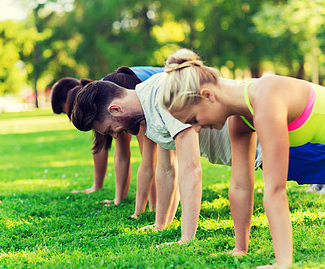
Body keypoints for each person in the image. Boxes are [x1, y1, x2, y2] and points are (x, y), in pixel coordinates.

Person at [70, 69, 325, 252]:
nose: (115, 136)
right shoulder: (147, 111)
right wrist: (161, 225)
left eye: (109, 129)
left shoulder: (160, 96)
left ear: (115, 109)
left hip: (274, 142)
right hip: (254, 150)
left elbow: (191, 168)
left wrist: (186, 238)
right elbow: (166, 168)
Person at [160, 48, 325, 269]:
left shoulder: (266, 99)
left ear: (208, 95)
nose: (196, 130)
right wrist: (240, 248)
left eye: (194, 119)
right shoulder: (239, 121)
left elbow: (275, 190)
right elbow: (240, 185)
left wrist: (282, 263)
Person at [51, 67, 163, 214]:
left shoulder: (118, 96)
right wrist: (117, 199)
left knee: (152, 154)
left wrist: (152, 208)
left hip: (172, 87)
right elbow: (120, 154)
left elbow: (149, 161)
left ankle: (156, 203)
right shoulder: (104, 100)